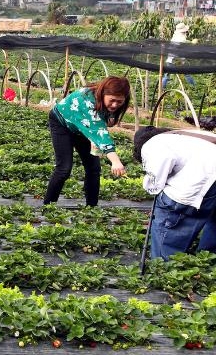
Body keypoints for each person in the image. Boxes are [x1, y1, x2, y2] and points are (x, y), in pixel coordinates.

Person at [44, 76, 131, 206]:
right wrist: (115, 161)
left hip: (84, 125)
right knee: (64, 168)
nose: (115, 105)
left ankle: (91, 207)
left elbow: (99, 126)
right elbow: (101, 134)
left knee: (94, 168)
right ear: (103, 94)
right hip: (62, 122)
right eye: (112, 100)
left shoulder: (106, 104)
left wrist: (95, 131)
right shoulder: (87, 101)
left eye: (119, 102)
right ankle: (48, 206)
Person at [132, 126, 216, 260]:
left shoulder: (153, 144)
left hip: (205, 177)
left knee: (171, 216)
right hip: (210, 175)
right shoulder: (183, 134)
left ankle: (164, 263)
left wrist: (150, 185)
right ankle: (207, 260)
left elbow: (155, 183)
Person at [161, 22, 196, 88]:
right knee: (187, 73)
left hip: (170, 60)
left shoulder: (175, 37)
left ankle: (162, 88)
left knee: (167, 75)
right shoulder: (182, 39)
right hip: (178, 60)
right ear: (183, 31)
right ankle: (193, 87)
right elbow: (184, 44)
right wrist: (191, 43)